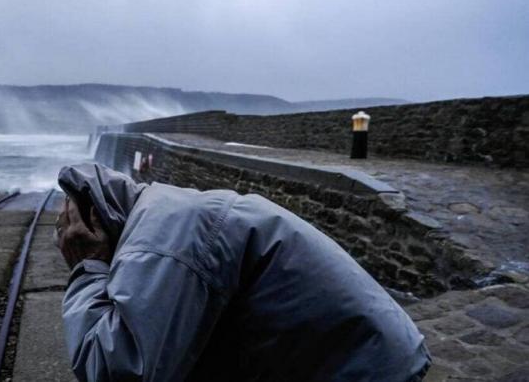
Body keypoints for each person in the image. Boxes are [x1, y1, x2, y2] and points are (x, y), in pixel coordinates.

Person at [56, 163, 430, 382]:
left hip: (368, 369)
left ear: (94, 220)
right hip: (365, 352)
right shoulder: (164, 212)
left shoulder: (159, 239)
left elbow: (118, 369)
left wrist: (88, 267)